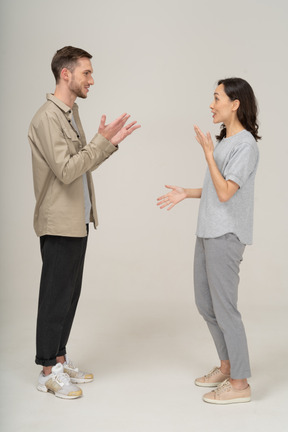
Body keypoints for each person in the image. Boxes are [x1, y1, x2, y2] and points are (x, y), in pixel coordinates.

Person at [28, 46, 140, 399]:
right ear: (66, 74)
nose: (92, 79)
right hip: (58, 221)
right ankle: (48, 370)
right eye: (86, 73)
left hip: (77, 220)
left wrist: (105, 144)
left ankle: (59, 358)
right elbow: (66, 170)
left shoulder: (70, 112)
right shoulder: (48, 117)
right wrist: (101, 143)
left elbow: (81, 162)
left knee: (69, 293)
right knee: (55, 294)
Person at [157, 78, 260, 404]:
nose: (212, 104)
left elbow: (228, 192)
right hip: (207, 231)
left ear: (235, 104)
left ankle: (240, 384)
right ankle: (227, 366)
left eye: (217, 98)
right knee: (206, 304)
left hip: (226, 236)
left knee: (226, 309)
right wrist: (186, 193)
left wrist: (207, 154)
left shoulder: (245, 145)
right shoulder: (226, 143)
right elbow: (218, 188)